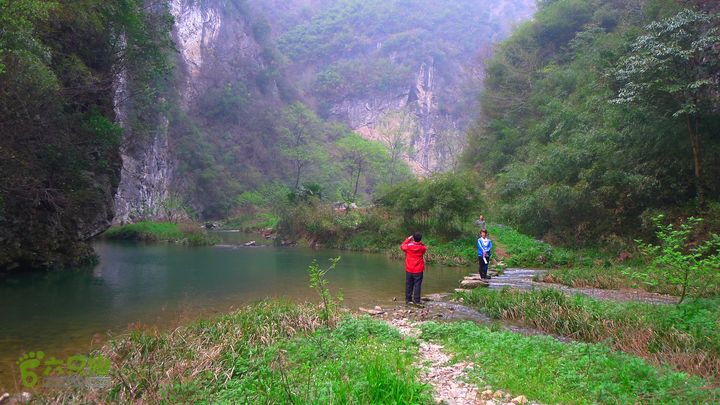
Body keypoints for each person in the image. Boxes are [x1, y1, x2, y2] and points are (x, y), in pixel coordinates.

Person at [401, 232, 427, 306]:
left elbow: (402, 246)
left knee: (409, 284)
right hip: (418, 270)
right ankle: (416, 300)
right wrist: (420, 243)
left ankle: (408, 299)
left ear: (413, 238)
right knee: (417, 285)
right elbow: (424, 248)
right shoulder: (422, 248)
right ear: (420, 239)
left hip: (409, 269)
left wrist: (408, 239)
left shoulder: (408, 247)